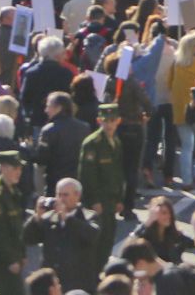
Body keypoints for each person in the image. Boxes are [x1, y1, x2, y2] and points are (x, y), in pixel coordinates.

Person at [20, 178, 100, 295]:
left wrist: (67, 218)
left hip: (77, 284)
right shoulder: (49, 218)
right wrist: (37, 217)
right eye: (59, 195)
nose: (61, 199)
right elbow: (27, 238)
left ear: (77, 196)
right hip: (53, 285)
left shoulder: (89, 216)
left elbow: (91, 235)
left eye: (65, 195)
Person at [77, 104, 127, 277]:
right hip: (99, 199)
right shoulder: (92, 143)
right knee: (97, 239)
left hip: (112, 198)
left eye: (112, 121)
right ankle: (92, 275)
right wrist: (93, 200)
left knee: (108, 238)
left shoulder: (116, 142)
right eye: (105, 121)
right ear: (99, 121)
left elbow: (119, 171)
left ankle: (101, 272)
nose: (109, 125)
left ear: (118, 121)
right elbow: (87, 175)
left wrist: (120, 198)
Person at [0, 150, 29, 295]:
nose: (19, 172)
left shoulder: (13, 192)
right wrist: (11, 260)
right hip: (2, 260)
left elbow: (17, 227)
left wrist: (22, 253)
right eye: (15, 168)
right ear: (2, 168)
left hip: (14, 255)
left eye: (20, 168)